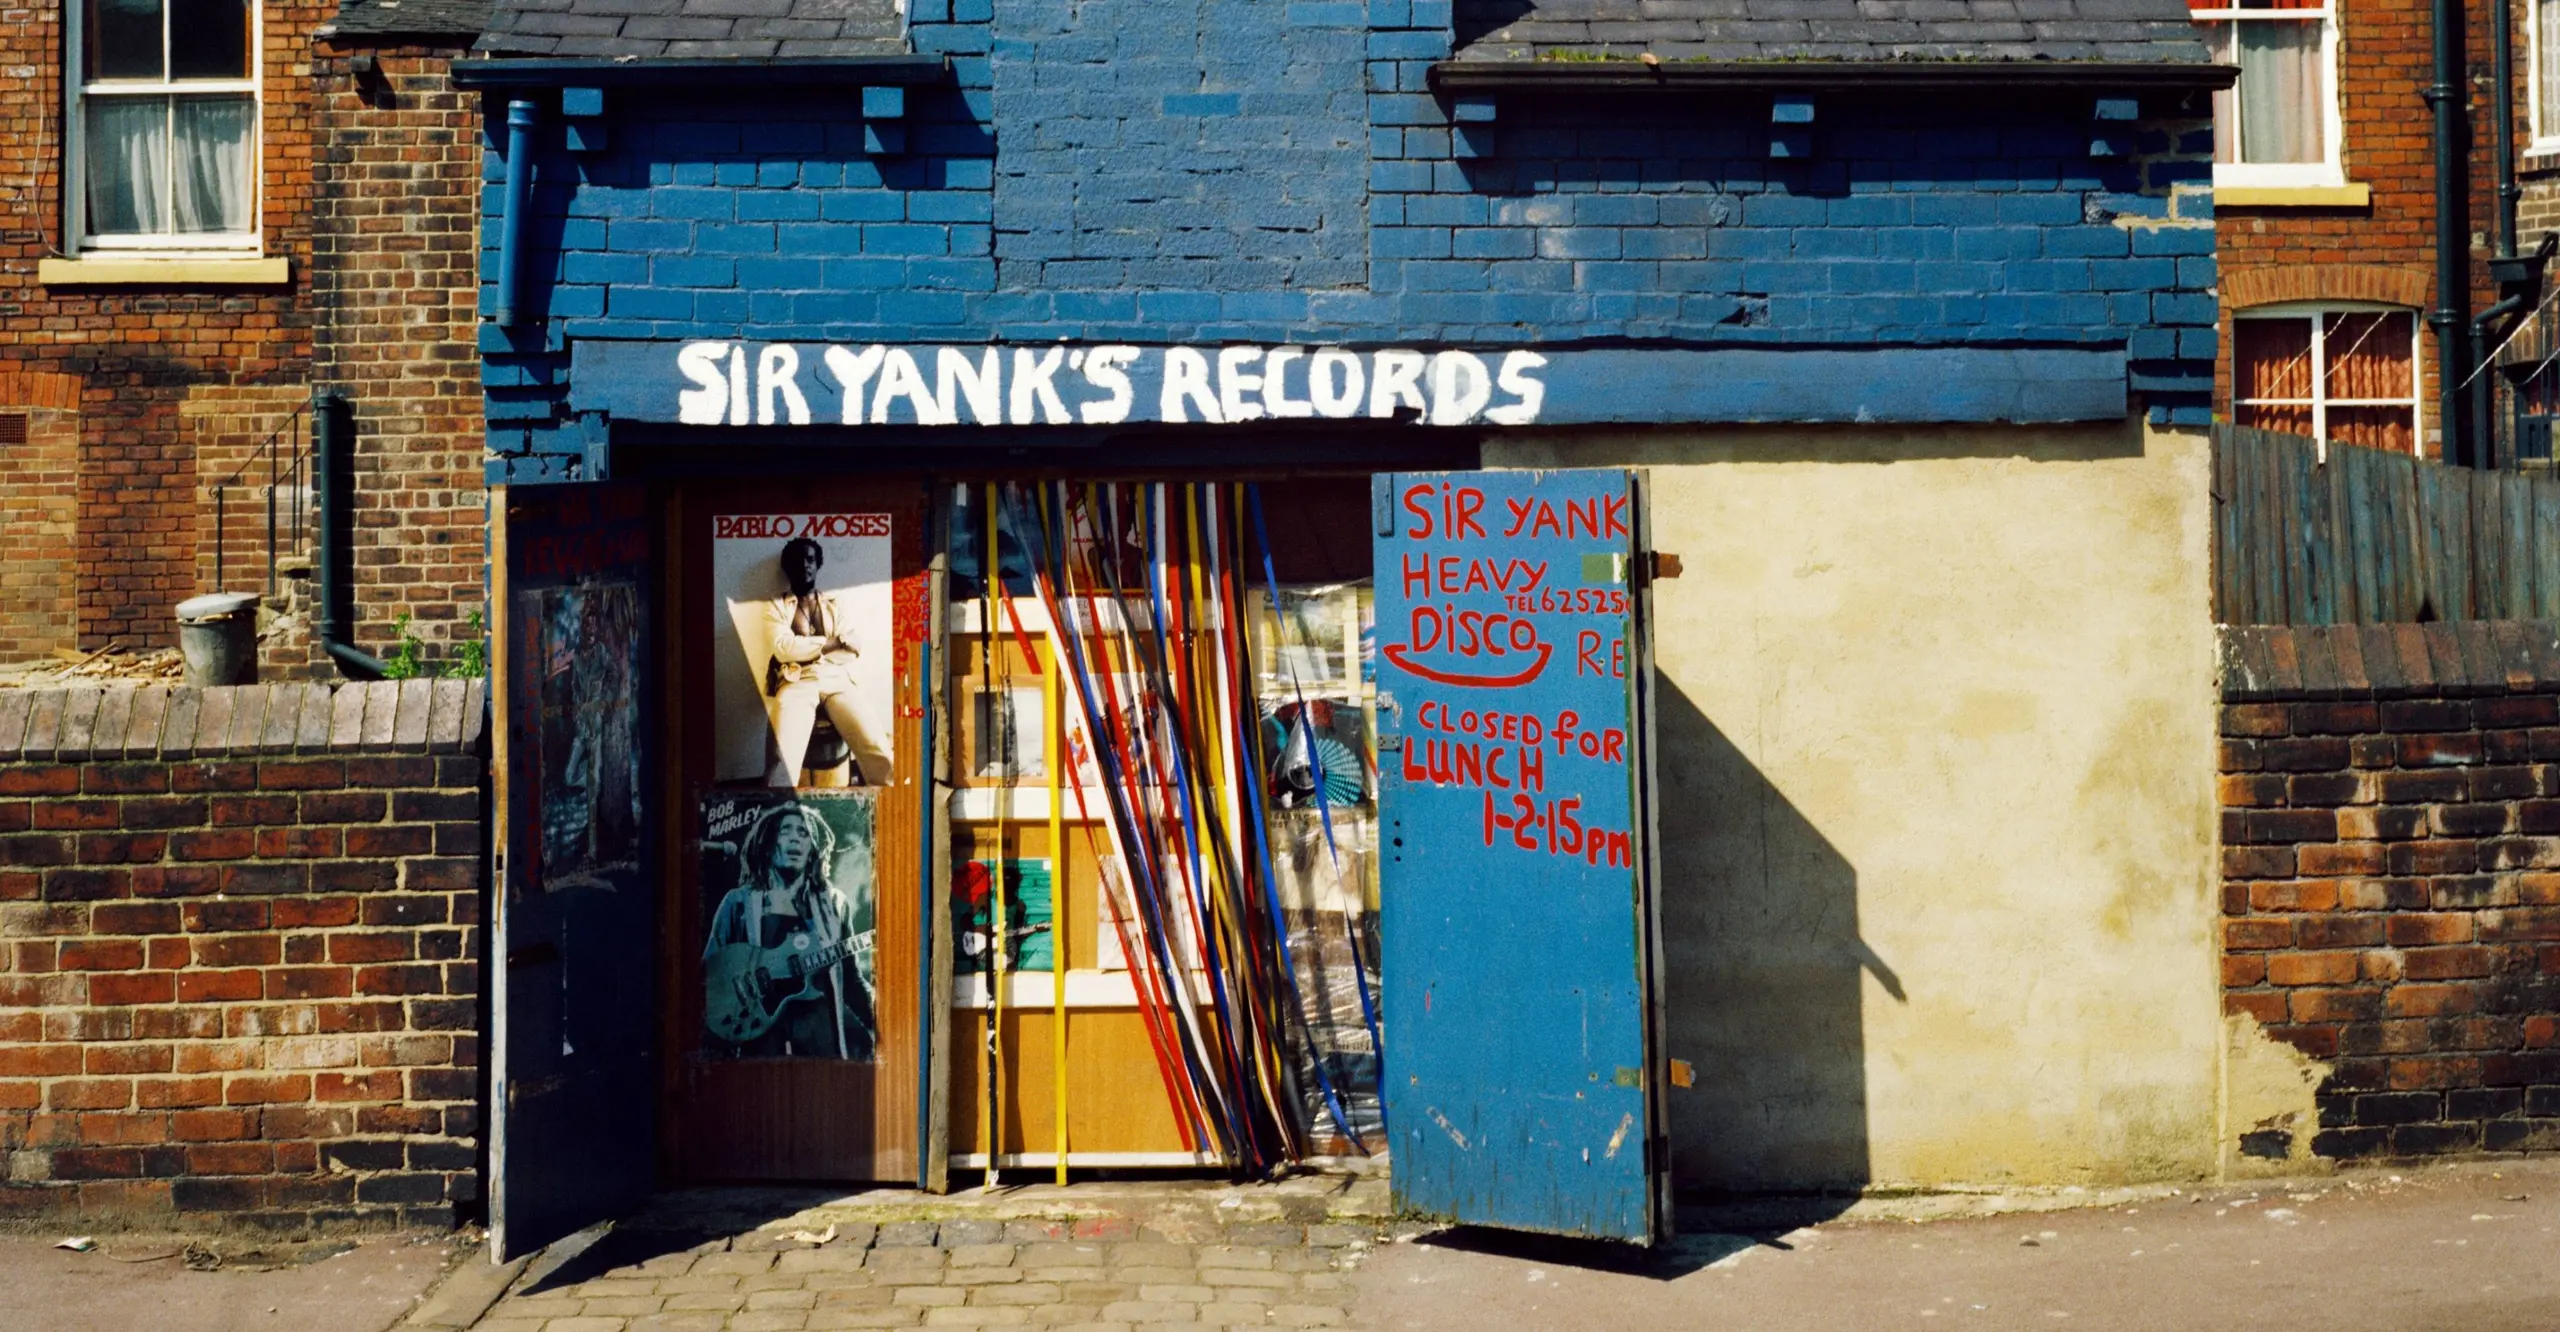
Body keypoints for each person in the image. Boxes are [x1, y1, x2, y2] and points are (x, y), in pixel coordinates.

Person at [702, 801, 878, 1060]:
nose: (795, 839)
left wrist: (884, 1026)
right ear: (767, 843)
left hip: (817, 1035)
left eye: (804, 833)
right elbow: (708, 973)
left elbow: (851, 978)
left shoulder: (833, 903)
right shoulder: (737, 902)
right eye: (786, 831)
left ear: (813, 849)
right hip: (756, 1030)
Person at [765, 536, 888, 787]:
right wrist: (832, 642)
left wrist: (810, 647)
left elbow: (853, 647)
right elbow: (783, 648)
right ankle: (775, 815)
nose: (805, 565)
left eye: (810, 559)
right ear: (787, 568)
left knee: (878, 747)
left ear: (817, 564)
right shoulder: (776, 605)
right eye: (798, 560)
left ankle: (892, 813)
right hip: (796, 679)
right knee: (783, 759)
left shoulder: (833, 604)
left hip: (836, 678)